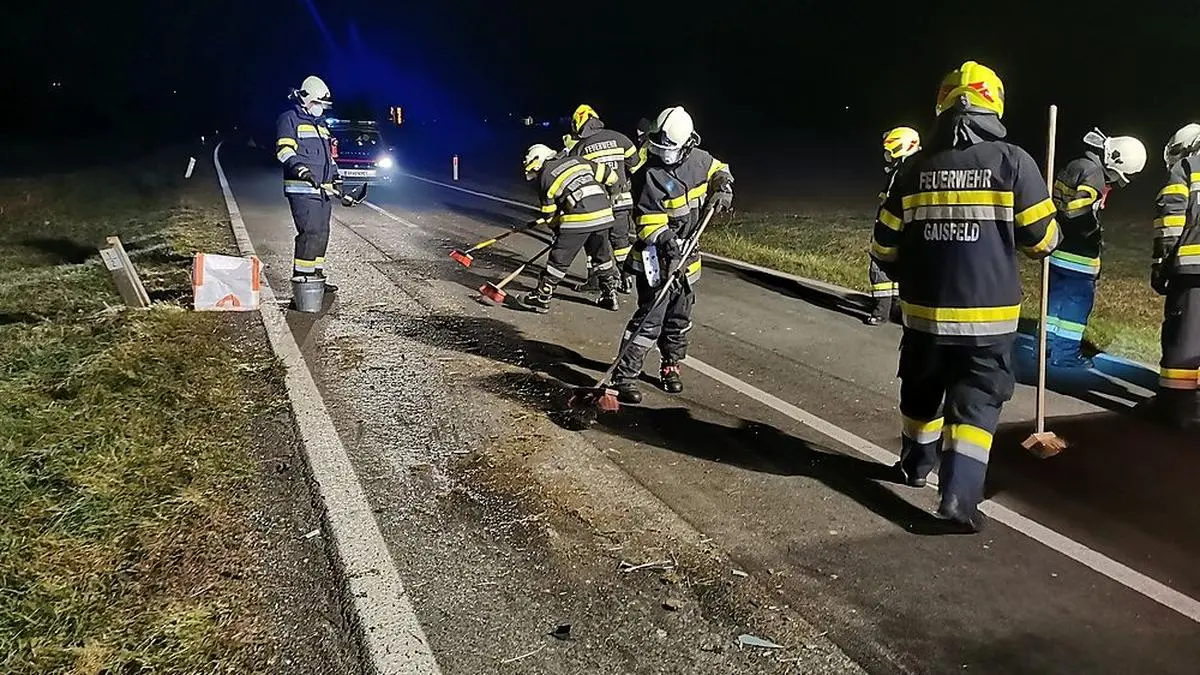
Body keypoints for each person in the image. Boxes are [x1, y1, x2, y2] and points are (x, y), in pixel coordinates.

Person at [871, 60, 1060, 531]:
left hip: (924, 317)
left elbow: (882, 248)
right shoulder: (1014, 161)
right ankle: (957, 500)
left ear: (942, 105)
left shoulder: (912, 169)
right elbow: (1041, 240)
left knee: (921, 394)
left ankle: (914, 467)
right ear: (994, 104)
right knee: (975, 405)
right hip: (990, 320)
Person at [609, 106, 734, 403]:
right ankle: (624, 376)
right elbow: (647, 220)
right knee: (649, 319)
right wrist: (667, 244)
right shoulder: (647, 174)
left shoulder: (701, 160)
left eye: (669, 148)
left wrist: (723, 187)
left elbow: (720, 169)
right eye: (659, 146)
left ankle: (670, 366)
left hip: (688, 256)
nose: (663, 154)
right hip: (656, 256)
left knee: (679, 318)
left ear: (688, 142)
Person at [1046, 129, 1146, 368]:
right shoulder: (1093, 175)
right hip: (1077, 257)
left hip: (1058, 249)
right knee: (1076, 308)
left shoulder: (1078, 165)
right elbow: (1076, 210)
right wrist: (1093, 231)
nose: (1115, 180)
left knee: (1054, 303)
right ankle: (1066, 354)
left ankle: (1046, 347)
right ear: (1114, 160)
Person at [518, 143, 622, 313]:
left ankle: (542, 296)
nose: (535, 176)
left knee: (559, 259)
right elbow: (612, 177)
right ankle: (610, 296)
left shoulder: (546, 176)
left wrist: (558, 231)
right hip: (604, 214)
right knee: (601, 256)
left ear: (539, 161)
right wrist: (611, 197)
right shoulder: (579, 161)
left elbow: (549, 215)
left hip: (578, 217)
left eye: (534, 171)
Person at [275, 75, 347, 291]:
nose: (321, 109)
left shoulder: (321, 125)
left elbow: (329, 157)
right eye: (318, 103)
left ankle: (316, 277)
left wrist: (337, 177)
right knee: (311, 231)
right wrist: (302, 170)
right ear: (306, 100)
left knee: (323, 232)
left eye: (323, 105)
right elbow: (284, 150)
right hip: (302, 189)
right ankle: (303, 282)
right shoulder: (289, 119)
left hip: (323, 190)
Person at [1149, 122, 1200, 428]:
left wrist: (1162, 264)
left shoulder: (1187, 168)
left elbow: (1170, 220)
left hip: (1194, 272)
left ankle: (1176, 409)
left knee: (1185, 339)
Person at [566, 105, 643, 294]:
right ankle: (626, 281)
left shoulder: (579, 148)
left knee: (595, 245)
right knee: (621, 243)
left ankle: (596, 280)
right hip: (623, 201)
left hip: (596, 207)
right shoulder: (621, 139)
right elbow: (636, 168)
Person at [867, 127, 921, 326]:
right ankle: (898, 311)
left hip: (894, 229)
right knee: (900, 270)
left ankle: (881, 312)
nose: (888, 155)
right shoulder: (912, 168)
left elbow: (894, 204)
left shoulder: (905, 172)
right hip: (907, 231)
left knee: (879, 266)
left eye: (891, 149)